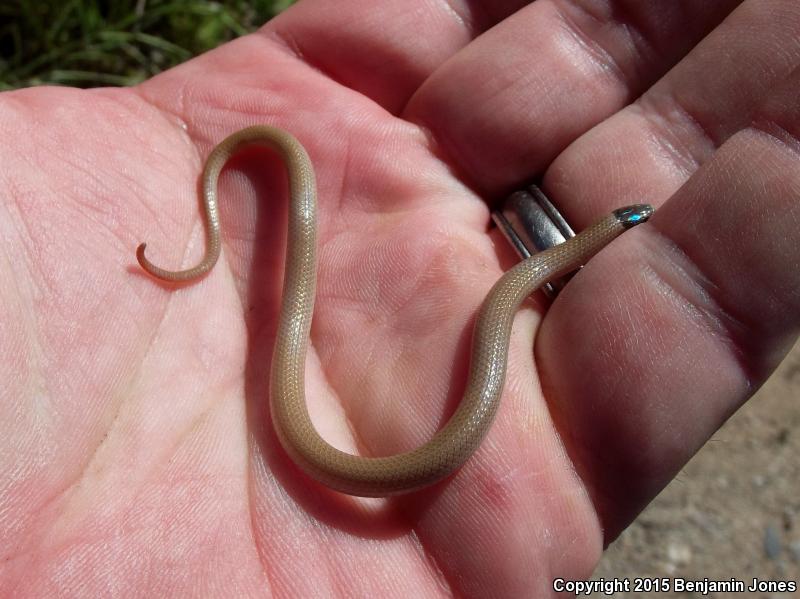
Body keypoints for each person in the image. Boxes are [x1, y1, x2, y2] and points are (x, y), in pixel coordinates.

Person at [1, 0, 797, 596]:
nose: (629, 220)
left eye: (625, 221)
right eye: (629, 219)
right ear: (613, 228)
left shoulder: (528, 279)